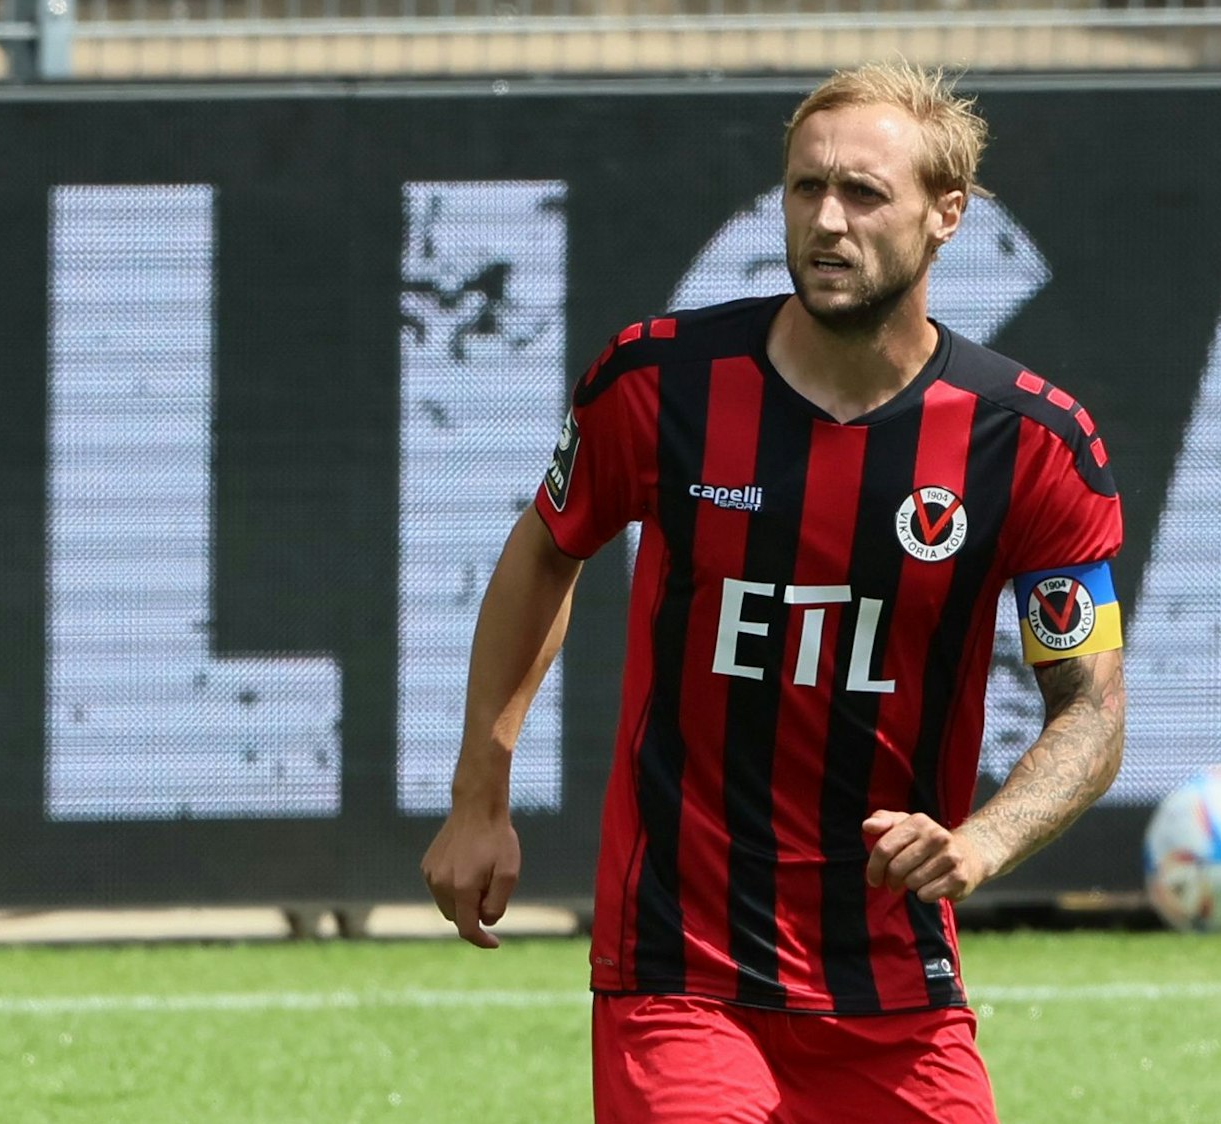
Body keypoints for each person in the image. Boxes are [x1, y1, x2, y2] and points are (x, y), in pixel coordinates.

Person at [421, 60, 1126, 1123]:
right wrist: (478, 796)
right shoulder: (658, 383)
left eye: (862, 193)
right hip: (681, 965)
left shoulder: (1032, 444)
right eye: (805, 188)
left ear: (946, 215)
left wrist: (981, 839)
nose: (826, 220)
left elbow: (1092, 705)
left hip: (894, 986)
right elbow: (545, 549)